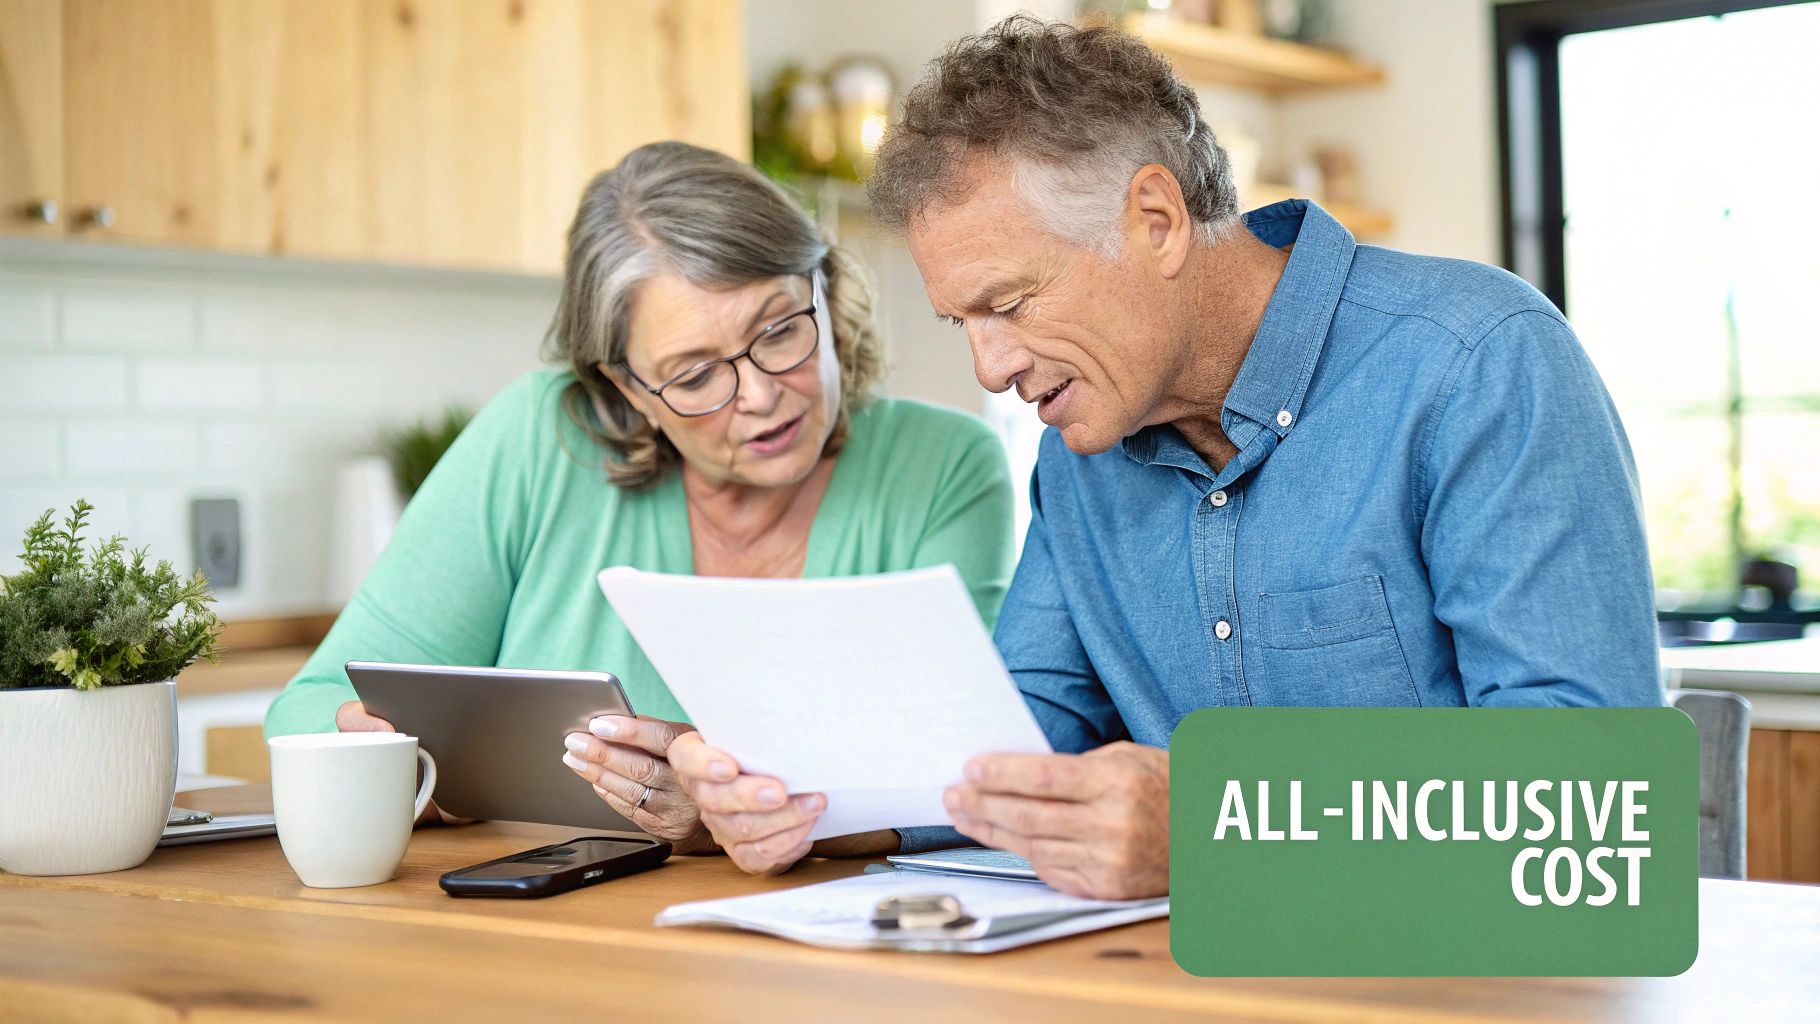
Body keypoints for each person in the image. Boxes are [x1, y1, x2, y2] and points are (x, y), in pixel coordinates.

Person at [672, 17, 1662, 897]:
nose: (992, 364)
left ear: (1153, 219)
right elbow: (1021, 735)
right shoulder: (1081, 451)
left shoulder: (1473, 363)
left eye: (1008, 304)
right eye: (961, 320)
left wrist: (1217, 829)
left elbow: (1587, 807)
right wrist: (808, 801)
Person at [263, 141, 1016, 868]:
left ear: (824, 288)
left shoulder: (946, 466)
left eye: (782, 330)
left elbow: (972, 777)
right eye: (693, 378)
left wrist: (725, 817)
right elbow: (308, 710)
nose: (760, 398)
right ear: (628, 389)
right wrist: (406, 763)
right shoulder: (540, 438)